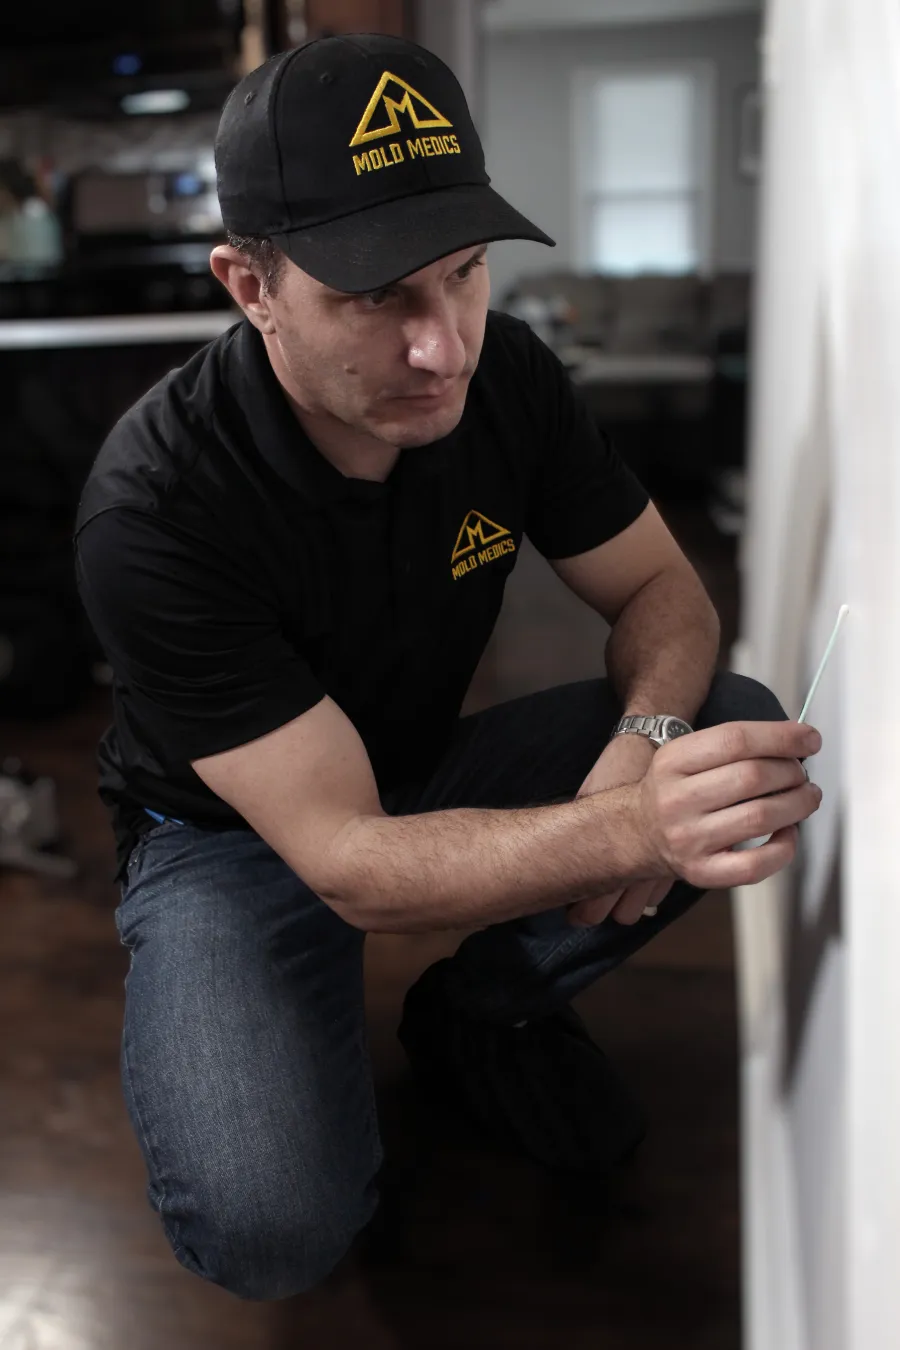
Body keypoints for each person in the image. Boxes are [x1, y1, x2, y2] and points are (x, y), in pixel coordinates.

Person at [74, 33, 822, 1302]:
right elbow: (349, 860)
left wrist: (641, 757)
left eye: (465, 273)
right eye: (377, 299)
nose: (444, 347)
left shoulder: (507, 374)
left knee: (725, 736)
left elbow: (662, 590)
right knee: (272, 1229)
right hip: (228, 838)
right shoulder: (156, 510)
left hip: (413, 764)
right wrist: (626, 830)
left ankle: (474, 1013)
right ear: (251, 287)